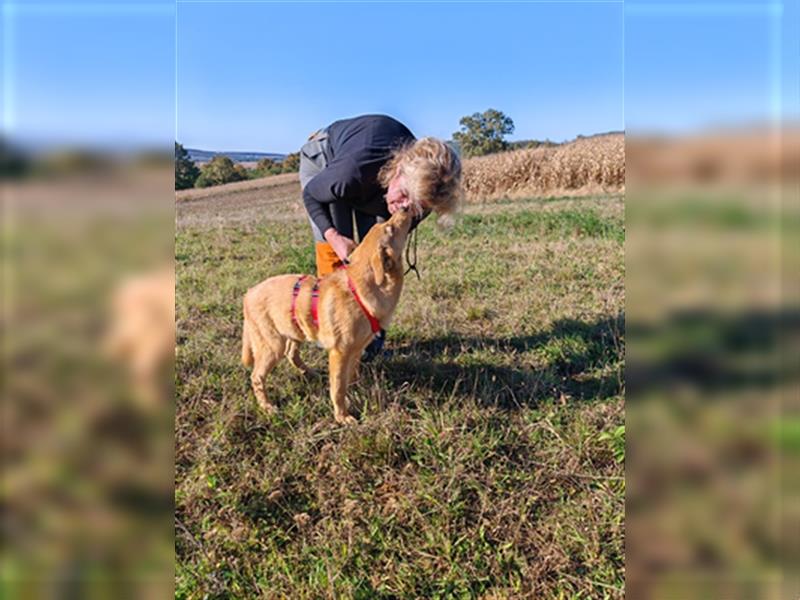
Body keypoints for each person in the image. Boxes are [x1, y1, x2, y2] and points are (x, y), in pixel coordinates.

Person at [299, 114, 461, 360]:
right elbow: (312, 195)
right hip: (328, 161)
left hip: (372, 183)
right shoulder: (350, 173)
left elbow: (387, 247)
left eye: (416, 206)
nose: (404, 207)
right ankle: (338, 337)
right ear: (398, 172)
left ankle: (371, 337)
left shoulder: (426, 194)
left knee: (376, 260)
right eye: (405, 195)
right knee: (336, 257)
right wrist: (333, 236)